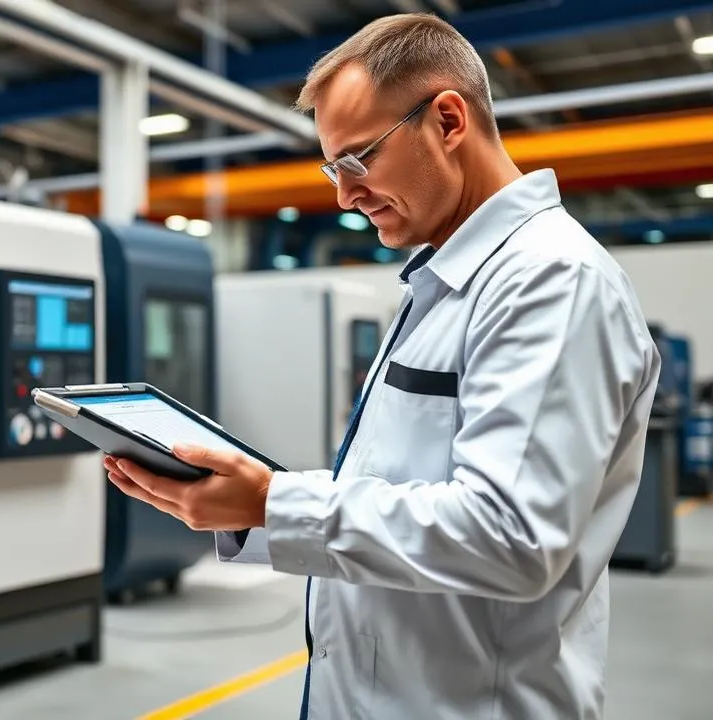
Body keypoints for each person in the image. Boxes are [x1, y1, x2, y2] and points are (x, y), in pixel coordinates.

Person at [105, 12, 661, 720]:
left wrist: (275, 501)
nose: (344, 194)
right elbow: (400, 489)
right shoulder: (441, 279)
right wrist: (251, 505)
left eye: (357, 160)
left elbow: (512, 537)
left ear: (449, 120)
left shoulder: (552, 279)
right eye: (333, 168)